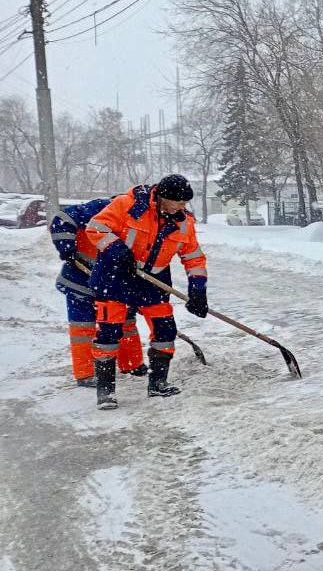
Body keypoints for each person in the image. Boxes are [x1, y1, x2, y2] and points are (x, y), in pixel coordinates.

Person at [84, 174, 209, 409]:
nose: (183, 208)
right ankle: (106, 392)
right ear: (164, 198)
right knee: (109, 334)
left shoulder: (185, 223)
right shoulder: (128, 205)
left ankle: (158, 384)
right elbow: (96, 228)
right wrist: (116, 249)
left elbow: (193, 257)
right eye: (180, 203)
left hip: (153, 281)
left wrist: (198, 290)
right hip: (115, 279)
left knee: (165, 330)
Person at [48, 199, 147, 386]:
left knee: (126, 323)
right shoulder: (99, 209)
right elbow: (62, 219)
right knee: (83, 328)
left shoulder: (144, 222)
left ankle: (132, 365)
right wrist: (66, 247)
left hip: (116, 285)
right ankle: (86, 373)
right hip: (80, 281)